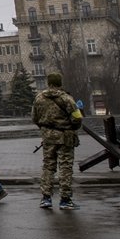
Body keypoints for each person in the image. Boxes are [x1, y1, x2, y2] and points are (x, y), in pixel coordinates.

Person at [32, 72, 83, 210]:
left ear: (49, 83)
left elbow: (34, 118)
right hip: (65, 137)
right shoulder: (66, 98)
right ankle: (65, 199)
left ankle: (46, 198)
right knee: (65, 166)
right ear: (60, 83)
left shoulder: (39, 98)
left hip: (48, 137)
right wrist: (72, 127)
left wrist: (46, 129)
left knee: (48, 166)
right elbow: (77, 117)